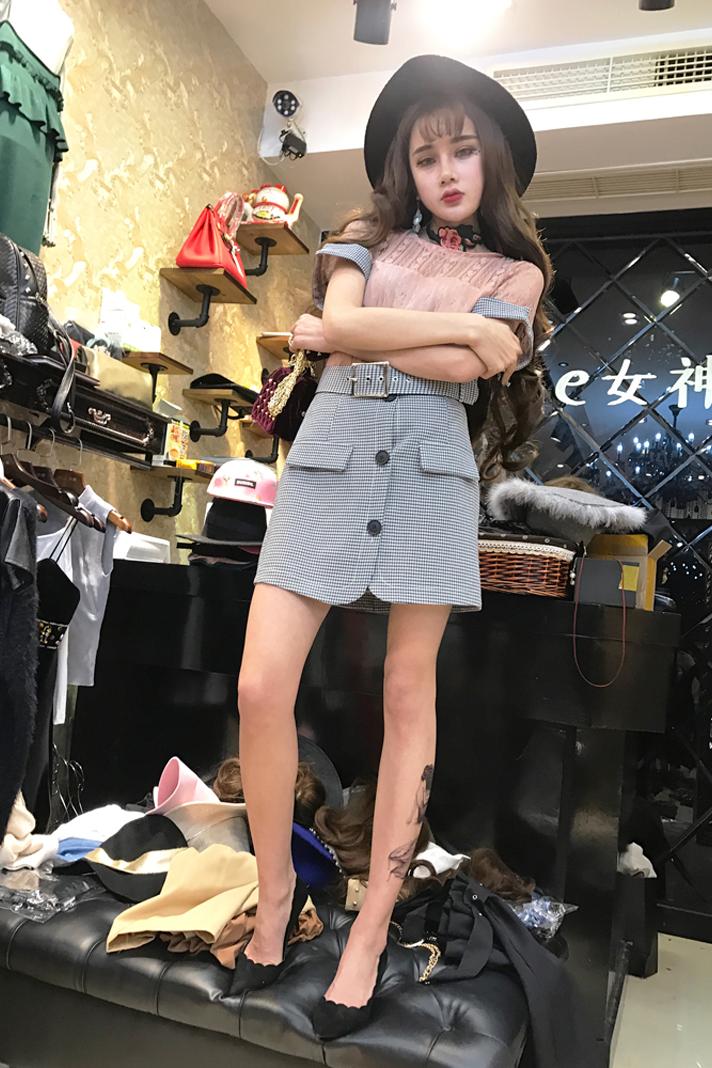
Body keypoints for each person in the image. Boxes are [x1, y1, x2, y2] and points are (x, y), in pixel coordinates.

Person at [233, 54, 554, 1040]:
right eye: (425, 155)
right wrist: (450, 338)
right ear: (403, 169)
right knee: (259, 686)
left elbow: (398, 346)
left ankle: (370, 927)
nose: (445, 170)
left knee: (408, 695)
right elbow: (347, 324)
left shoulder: (518, 273)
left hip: (430, 472)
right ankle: (278, 896)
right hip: (331, 454)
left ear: (492, 160)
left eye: (462, 150)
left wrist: (352, 335)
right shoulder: (363, 233)